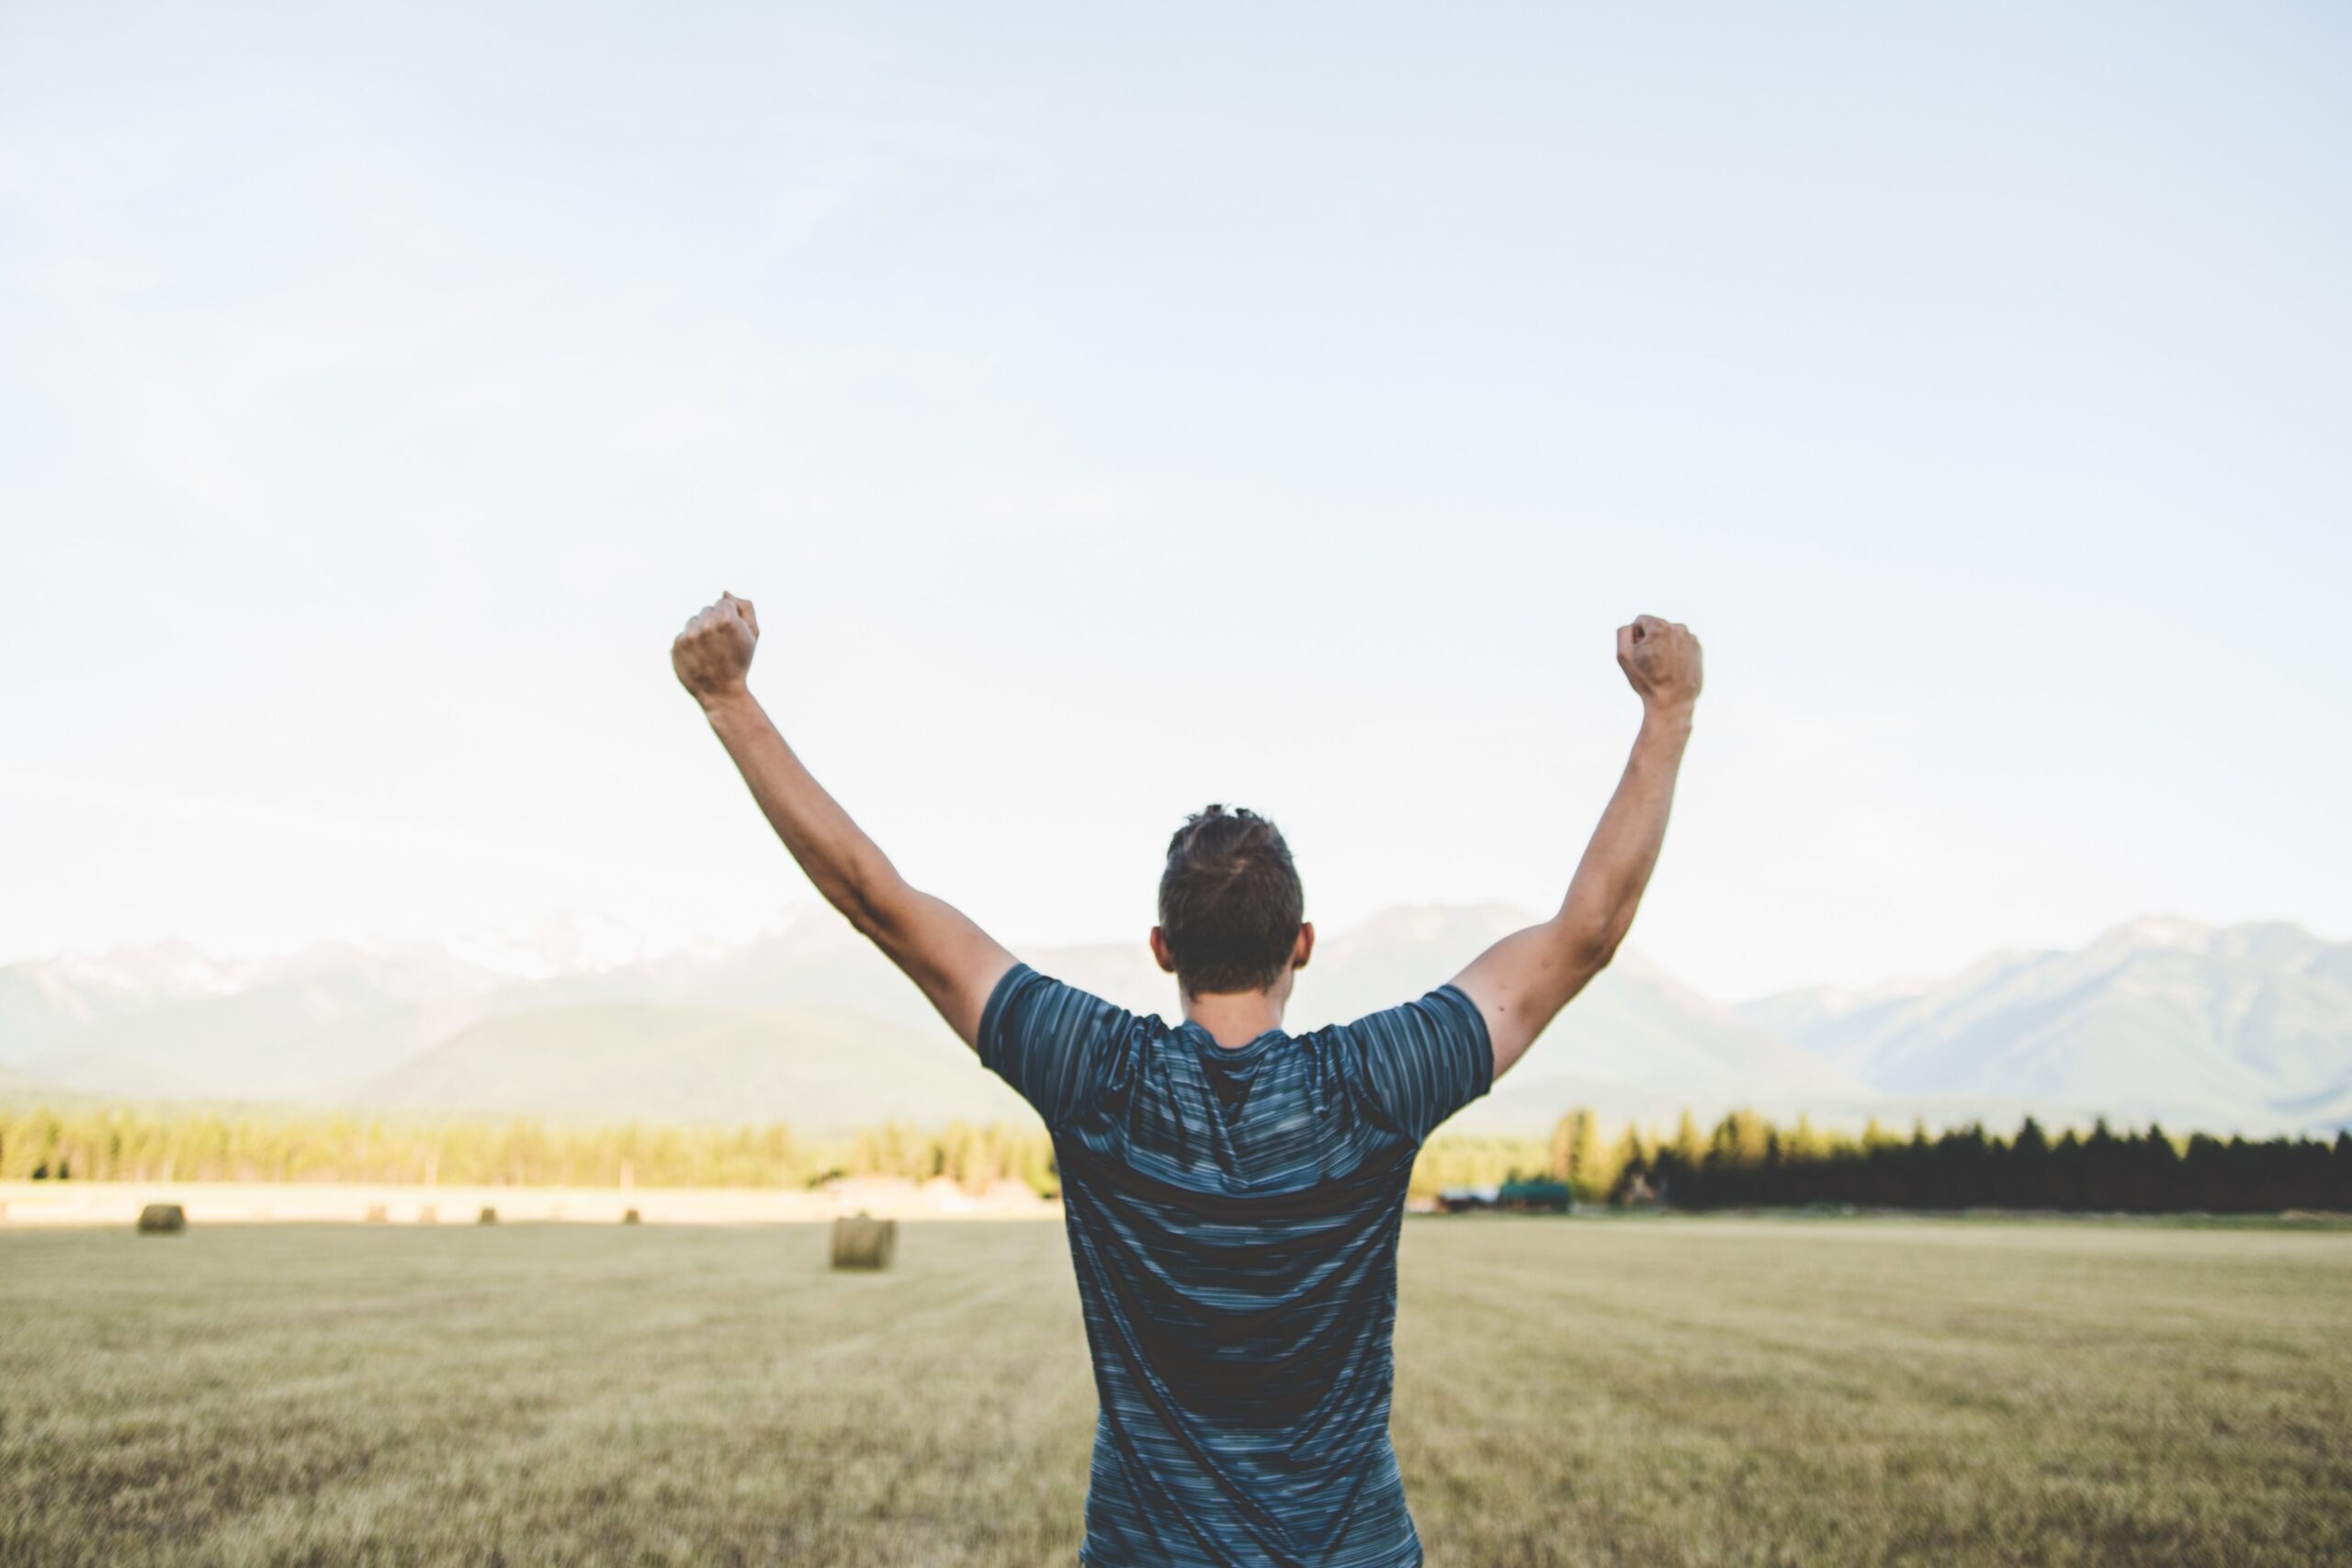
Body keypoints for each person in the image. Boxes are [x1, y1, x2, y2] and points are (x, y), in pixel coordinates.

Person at [672, 592, 1702, 1568]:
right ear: (1300, 942)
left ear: (1162, 947)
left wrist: (730, 700)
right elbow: (1586, 934)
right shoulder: (1376, 1084)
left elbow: (876, 902)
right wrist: (1668, 711)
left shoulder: (1096, 1075)